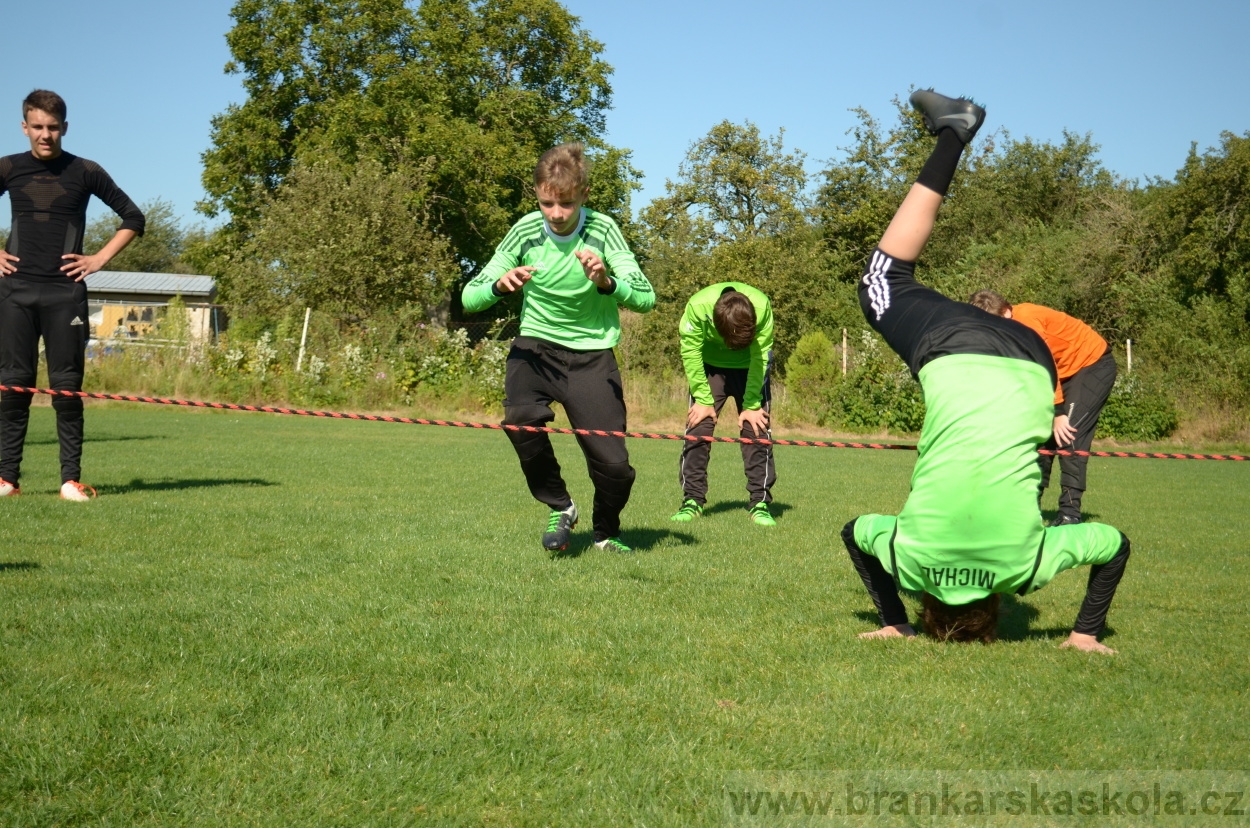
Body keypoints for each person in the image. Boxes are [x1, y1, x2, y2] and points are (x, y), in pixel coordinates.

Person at [840, 89, 1130, 654]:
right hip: (967, 346)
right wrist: (896, 618)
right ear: (928, 599)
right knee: (882, 279)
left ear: (995, 607)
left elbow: (1115, 545)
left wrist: (1084, 632)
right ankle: (953, 133)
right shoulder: (909, 559)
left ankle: (957, 129)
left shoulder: (1025, 572)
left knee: (890, 280)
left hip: (1033, 359)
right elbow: (854, 532)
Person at [461, 143, 654, 553]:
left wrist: (607, 282)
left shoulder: (603, 230)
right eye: (547, 202)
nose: (556, 214)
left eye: (566, 203)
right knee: (519, 421)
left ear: (583, 195)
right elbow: (470, 296)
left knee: (616, 468)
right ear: (537, 194)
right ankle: (560, 505)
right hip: (535, 347)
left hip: (592, 357)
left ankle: (605, 533)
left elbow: (645, 297)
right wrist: (500, 284)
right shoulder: (525, 231)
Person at [0, 90, 145, 500]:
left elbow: (133, 216)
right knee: (12, 386)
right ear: (24, 127)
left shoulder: (85, 170)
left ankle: (70, 481)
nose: (45, 135)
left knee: (66, 387)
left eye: (53, 127)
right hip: (14, 292)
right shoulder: (9, 167)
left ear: (64, 127)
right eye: (37, 127)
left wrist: (98, 258)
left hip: (65, 295)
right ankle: (6, 480)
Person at [967, 291, 1117, 525]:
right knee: (1039, 435)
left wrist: (1058, 413)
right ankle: (1029, 511)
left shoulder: (1026, 321)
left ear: (1006, 311)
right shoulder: (1000, 331)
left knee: (1069, 434)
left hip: (1091, 364)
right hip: (1062, 374)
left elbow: (1045, 365)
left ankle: (1070, 514)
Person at [671, 282, 777, 526]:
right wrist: (703, 399)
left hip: (751, 367)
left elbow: (762, 355)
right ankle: (692, 501)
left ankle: (759, 502)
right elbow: (690, 351)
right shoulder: (698, 307)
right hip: (709, 368)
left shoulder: (761, 307)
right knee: (698, 427)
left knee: (757, 429)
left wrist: (752, 404)